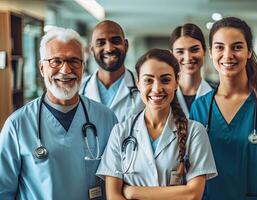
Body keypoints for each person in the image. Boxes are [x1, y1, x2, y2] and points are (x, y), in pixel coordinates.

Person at [0, 27, 118, 200]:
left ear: (83, 67)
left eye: (74, 61)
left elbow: (119, 182)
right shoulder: (17, 125)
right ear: (42, 68)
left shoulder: (106, 118)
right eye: (56, 61)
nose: (65, 70)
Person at [190, 17, 257, 200]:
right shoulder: (200, 108)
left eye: (237, 47)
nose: (227, 55)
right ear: (210, 53)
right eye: (219, 47)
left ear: (249, 51)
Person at [97, 48, 217, 200]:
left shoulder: (194, 132)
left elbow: (193, 194)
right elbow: (113, 196)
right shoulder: (121, 132)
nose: (157, 88)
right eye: (148, 80)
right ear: (138, 83)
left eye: (165, 80)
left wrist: (133, 192)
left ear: (176, 82)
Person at [80, 20, 144, 122]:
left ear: (126, 46)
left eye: (115, 41)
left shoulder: (144, 88)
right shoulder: (79, 90)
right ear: (92, 49)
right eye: (101, 43)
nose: (109, 48)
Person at [169, 23, 212, 118]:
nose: (188, 58)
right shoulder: (163, 95)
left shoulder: (217, 95)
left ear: (204, 50)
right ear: (171, 55)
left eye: (194, 50)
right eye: (180, 52)